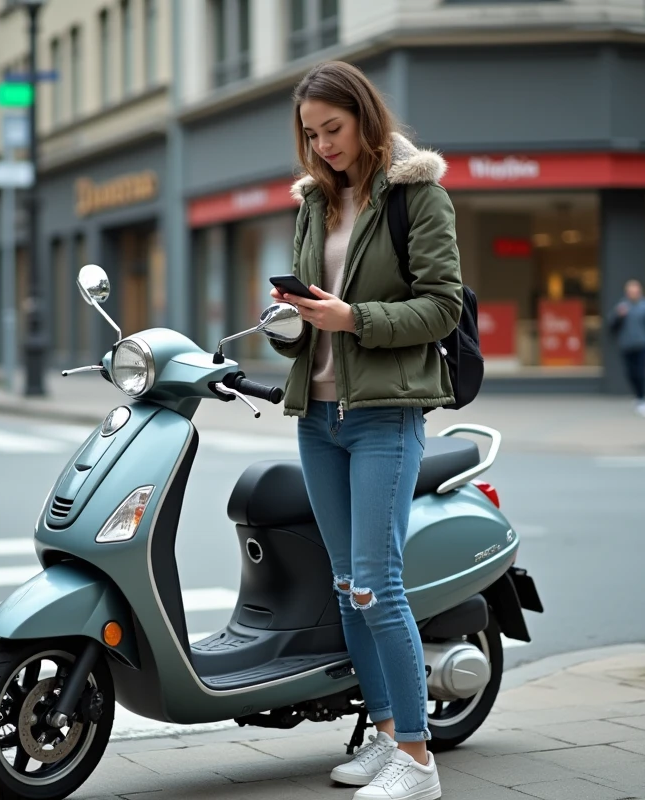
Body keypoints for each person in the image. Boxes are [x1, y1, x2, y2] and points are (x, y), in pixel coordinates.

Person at [267, 61, 462, 800]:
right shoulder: (315, 200)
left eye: (334, 129)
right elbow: (315, 306)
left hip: (385, 413)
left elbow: (442, 307)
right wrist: (289, 318)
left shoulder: (419, 195)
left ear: (365, 118)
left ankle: (418, 760)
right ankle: (384, 734)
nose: (323, 146)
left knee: (380, 587)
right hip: (318, 418)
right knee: (348, 586)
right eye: (311, 134)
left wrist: (352, 318)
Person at [610, 279, 645, 417]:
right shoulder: (622, 306)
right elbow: (611, 326)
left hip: (642, 345)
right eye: (630, 291)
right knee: (630, 373)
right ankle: (638, 396)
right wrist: (619, 316)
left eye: (635, 291)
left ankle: (642, 399)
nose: (633, 294)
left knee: (641, 372)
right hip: (626, 345)